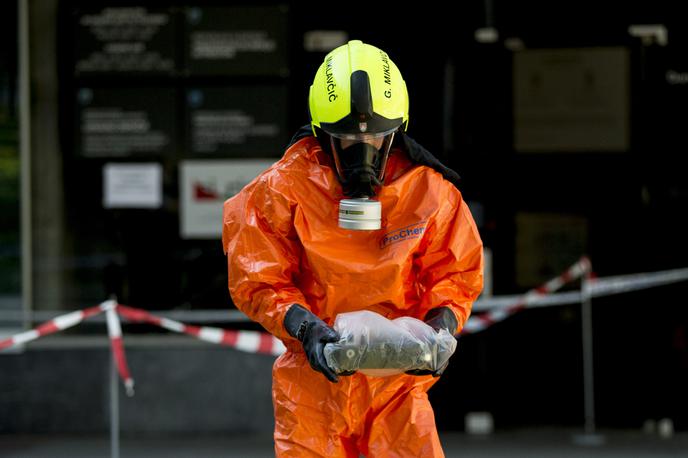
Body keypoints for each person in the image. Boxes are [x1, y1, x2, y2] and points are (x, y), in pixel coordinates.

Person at [223, 40, 483, 458]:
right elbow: (259, 278)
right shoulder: (282, 191)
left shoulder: (428, 194)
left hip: (398, 389)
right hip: (314, 388)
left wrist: (441, 327)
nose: (363, 154)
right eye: (346, 140)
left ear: (396, 133)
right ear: (321, 133)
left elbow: (456, 274)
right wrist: (306, 329)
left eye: (377, 139)